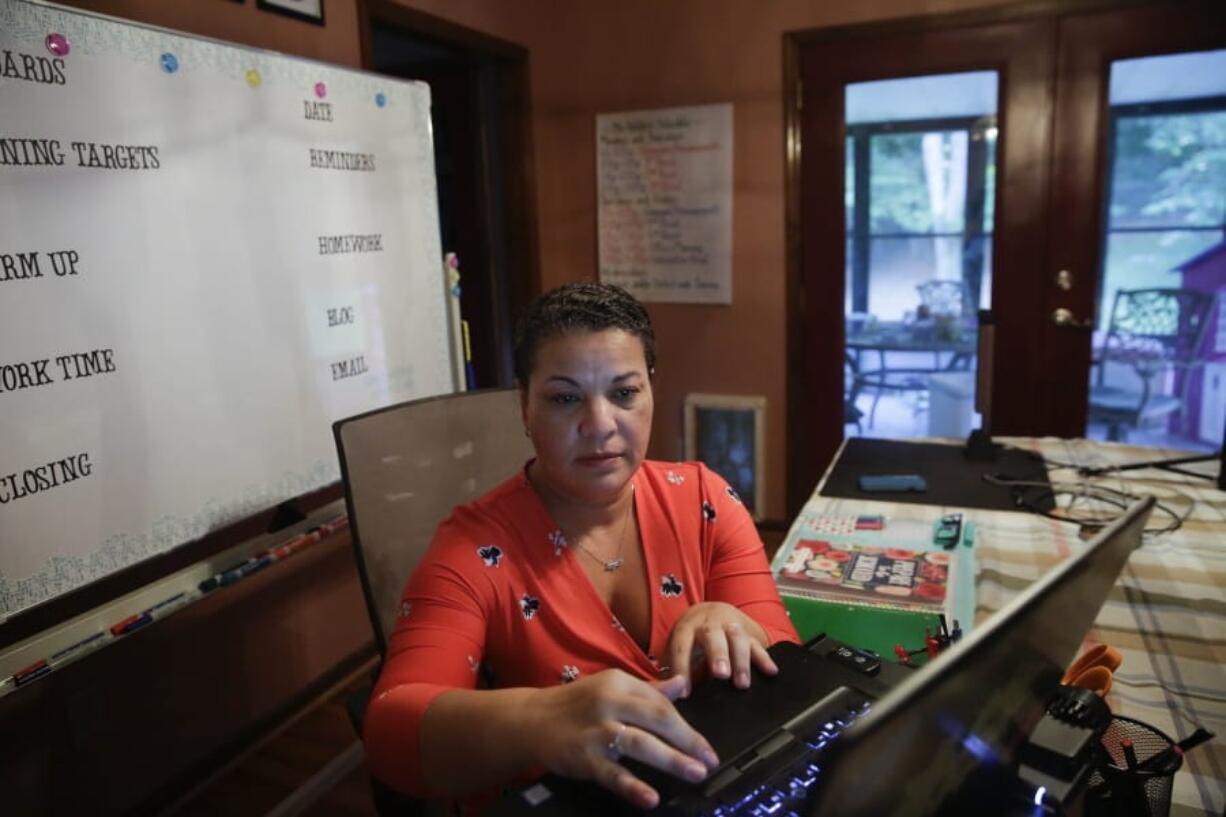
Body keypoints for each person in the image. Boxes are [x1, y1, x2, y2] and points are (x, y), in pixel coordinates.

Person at [364, 282, 799, 811]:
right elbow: (390, 729)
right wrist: (540, 718)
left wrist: (736, 625)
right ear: (524, 406)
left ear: (651, 391)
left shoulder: (706, 499)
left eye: (623, 393)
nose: (600, 425)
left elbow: (786, 662)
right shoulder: (473, 549)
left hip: (704, 787)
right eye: (565, 398)